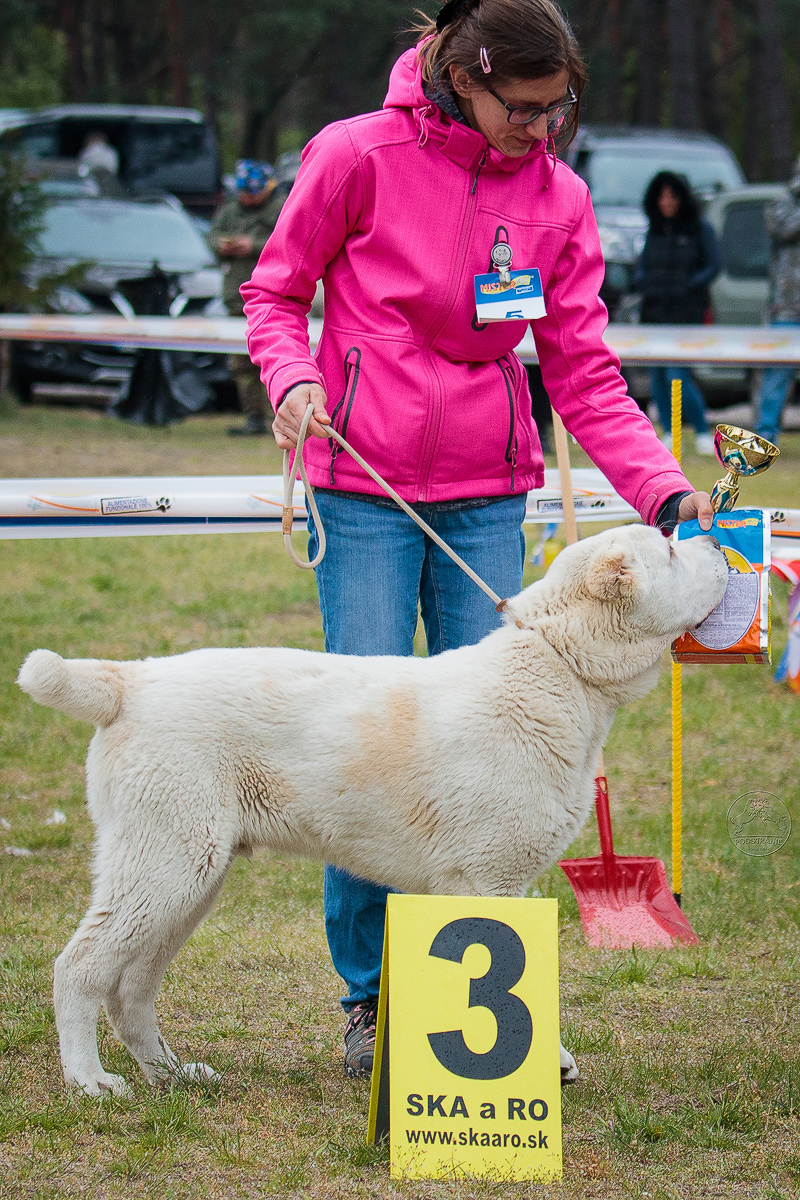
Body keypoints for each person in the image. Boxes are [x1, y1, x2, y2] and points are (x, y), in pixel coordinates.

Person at [241, 0, 713, 1078]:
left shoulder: (558, 200)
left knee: (496, 765)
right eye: (526, 109)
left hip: (488, 490)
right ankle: (372, 1004)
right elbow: (275, 294)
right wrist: (296, 376)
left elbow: (584, 374)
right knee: (367, 748)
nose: (542, 131)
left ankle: (476, 1024)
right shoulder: (352, 154)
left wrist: (664, 495)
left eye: (560, 111)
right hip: (358, 487)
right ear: (467, 74)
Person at [634, 171, 720, 455]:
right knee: (657, 374)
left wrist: (688, 286)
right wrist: (644, 282)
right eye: (662, 196)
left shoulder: (699, 229)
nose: (666, 202)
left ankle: (702, 429)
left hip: (687, 313)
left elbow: (713, 265)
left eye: (672, 196)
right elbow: (642, 266)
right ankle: (670, 432)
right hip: (655, 311)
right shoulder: (654, 230)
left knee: (677, 374)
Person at [208, 161, 283, 435]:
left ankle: (281, 416)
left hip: (274, 297)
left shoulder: (282, 209)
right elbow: (212, 237)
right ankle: (254, 418)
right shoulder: (229, 211)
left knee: (274, 360)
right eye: (244, 192)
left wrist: (254, 246)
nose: (247, 197)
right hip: (236, 298)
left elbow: (292, 240)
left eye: (253, 191)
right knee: (241, 363)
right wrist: (222, 245)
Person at [754, 158, 800, 445]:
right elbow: (783, 229)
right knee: (777, 373)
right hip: (787, 305)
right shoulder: (784, 202)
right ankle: (766, 433)